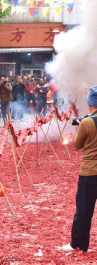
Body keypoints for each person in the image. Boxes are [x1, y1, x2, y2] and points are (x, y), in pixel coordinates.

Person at [61, 86, 97, 253]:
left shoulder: (88, 122)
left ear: (90, 104)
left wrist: (81, 125)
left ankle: (78, 244)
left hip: (90, 172)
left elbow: (77, 145)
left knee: (84, 210)